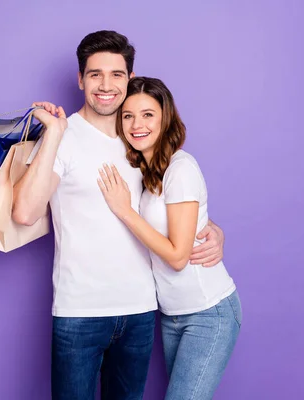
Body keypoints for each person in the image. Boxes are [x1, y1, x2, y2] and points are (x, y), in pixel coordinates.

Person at [12, 31, 225, 400]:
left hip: (141, 310)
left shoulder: (138, 138)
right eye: (95, 74)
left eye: (116, 74)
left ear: (129, 78)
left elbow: (172, 198)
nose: (106, 85)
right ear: (80, 79)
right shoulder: (62, 136)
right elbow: (26, 212)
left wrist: (213, 230)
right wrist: (55, 135)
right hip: (79, 311)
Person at [97, 76, 241, 400]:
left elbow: (177, 257)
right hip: (172, 313)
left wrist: (124, 210)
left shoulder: (181, 168)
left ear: (165, 118)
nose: (137, 124)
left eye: (148, 114)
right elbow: (182, 219)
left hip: (209, 312)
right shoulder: (147, 171)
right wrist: (214, 228)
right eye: (128, 115)